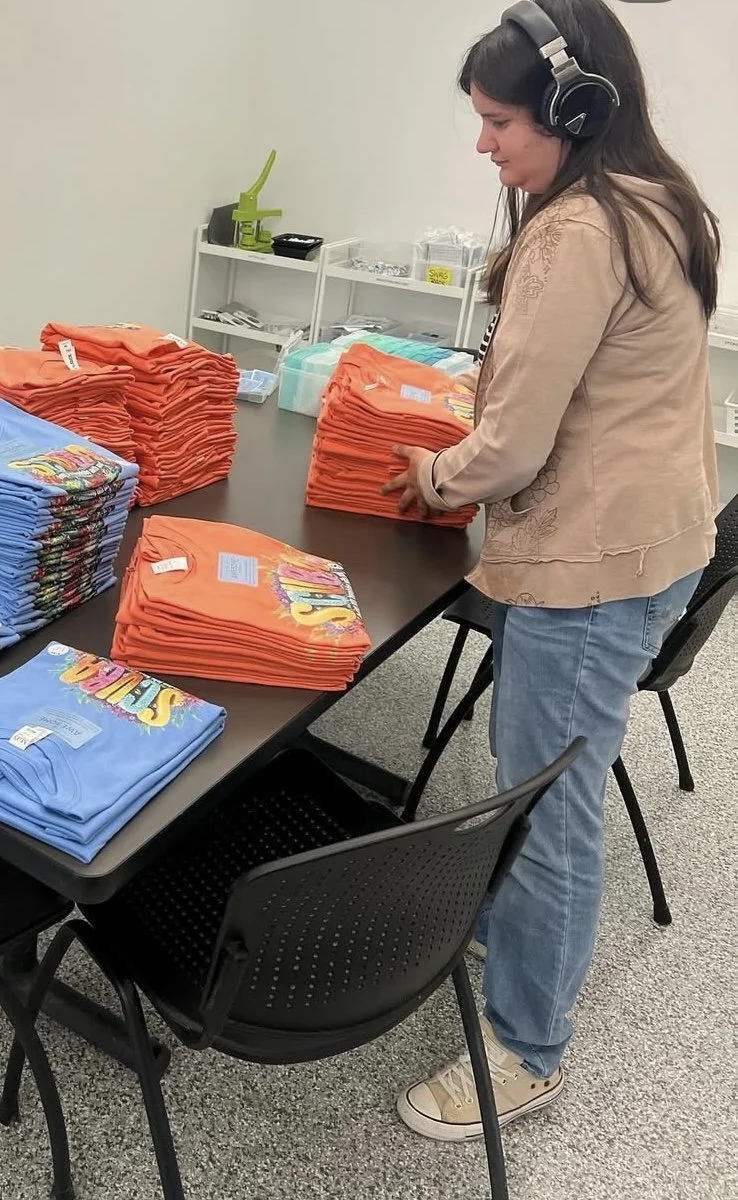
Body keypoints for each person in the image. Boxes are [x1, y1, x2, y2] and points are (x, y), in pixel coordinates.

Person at [383, 0, 720, 1142]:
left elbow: (515, 449)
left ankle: (526, 1050)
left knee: (547, 809)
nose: (482, 146)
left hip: (588, 566)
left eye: (495, 123)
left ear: (571, 113)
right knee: (553, 788)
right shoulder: (654, 199)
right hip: (656, 536)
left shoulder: (575, 231)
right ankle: (520, 933)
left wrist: (434, 476)